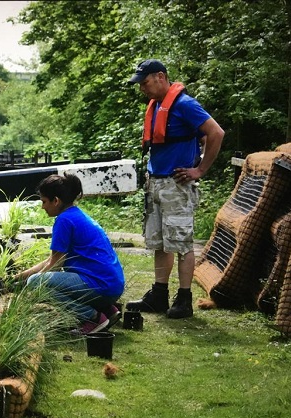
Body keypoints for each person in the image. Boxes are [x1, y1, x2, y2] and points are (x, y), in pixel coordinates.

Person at [125, 59, 225, 318]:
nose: (142, 89)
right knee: (159, 243)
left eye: (145, 83)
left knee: (181, 244)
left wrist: (200, 169)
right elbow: (198, 137)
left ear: (160, 77)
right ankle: (159, 295)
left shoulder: (185, 104)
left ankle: (184, 300)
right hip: (156, 183)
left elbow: (216, 133)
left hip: (177, 186)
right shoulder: (157, 106)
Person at [13, 173, 125, 335]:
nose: (42, 207)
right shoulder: (76, 215)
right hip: (112, 285)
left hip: (100, 286)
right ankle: (107, 310)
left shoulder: (64, 220)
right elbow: (52, 260)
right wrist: (18, 277)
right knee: (35, 280)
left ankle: (92, 318)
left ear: (56, 201)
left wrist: (27, 285)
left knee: (36, 283)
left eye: (44, 201)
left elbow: (55, 265)